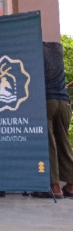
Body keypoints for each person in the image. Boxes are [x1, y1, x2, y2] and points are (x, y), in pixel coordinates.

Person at [40, 42, 73, 198]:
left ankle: (54, 187)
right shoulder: (57, 50)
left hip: (48, 101)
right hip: (64, 102)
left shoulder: (36, 51)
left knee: (49, 143)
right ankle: (71, 185)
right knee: (63, 142)